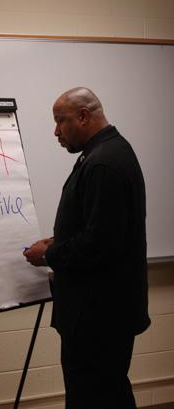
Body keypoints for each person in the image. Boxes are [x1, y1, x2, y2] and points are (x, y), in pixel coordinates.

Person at [23, 87, 151, 409]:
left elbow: (99, 246)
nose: (56, 132)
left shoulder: (104, 163)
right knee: (108, 392)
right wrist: (57, 240)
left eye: (60, 121)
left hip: (98, 317)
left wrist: (48, 255)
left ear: (83, 116)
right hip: (99, 313)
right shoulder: (105, 152)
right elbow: (100, 226)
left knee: (93, 397)